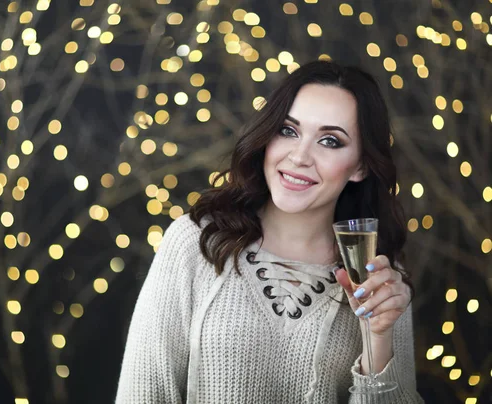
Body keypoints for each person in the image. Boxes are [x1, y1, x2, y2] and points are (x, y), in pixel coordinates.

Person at [116, 60, 424, 403]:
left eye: (330, 141)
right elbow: (141, 394)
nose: (299, 157)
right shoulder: (196, 244)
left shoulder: (380, 282)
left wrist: (376, 338)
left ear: (361, 166)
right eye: (288, 131)